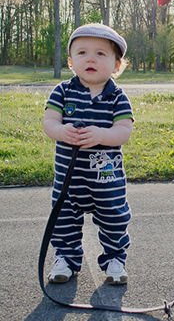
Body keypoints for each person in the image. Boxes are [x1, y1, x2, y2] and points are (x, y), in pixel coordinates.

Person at [43, 23, 134, 285]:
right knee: (63, 220)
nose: (90, 59)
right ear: (71, 62)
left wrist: (102, 135)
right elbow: (49, 122)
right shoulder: (62, 92)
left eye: (100, 54)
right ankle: (66, 258)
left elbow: (124, 131)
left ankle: (115, 259)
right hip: (69, 179)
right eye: (82, 53)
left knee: (114, 219)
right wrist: (61, 131)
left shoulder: (117, 97)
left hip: (106, 180)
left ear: (117, 65)